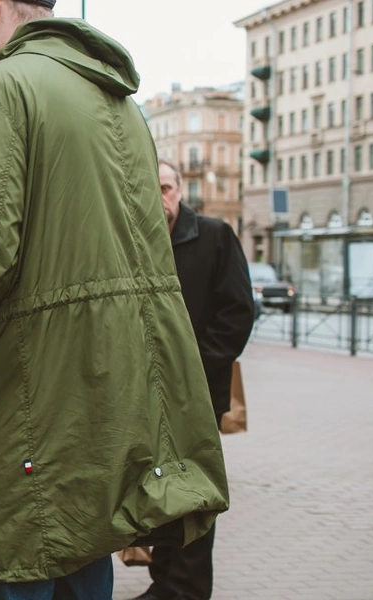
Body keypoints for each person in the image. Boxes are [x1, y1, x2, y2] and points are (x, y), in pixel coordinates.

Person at [0, 2, 230, 598]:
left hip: (18, 434)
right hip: (98, 428)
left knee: (8, 567)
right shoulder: (121, 104)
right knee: (81, 569)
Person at [132, 160, 255, 600]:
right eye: (152, 188)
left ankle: (186, 588)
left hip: (199, 395)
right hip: (147, 395)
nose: (160, 197)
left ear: (179, 191)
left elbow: (238, 312)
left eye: (165, 187)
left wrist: (193, 370)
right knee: (162, 487)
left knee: (195, 492)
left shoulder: (214, 236)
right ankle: (165, 581)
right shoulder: (136, 240)